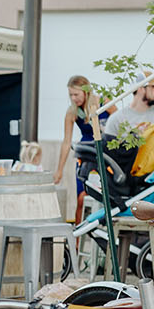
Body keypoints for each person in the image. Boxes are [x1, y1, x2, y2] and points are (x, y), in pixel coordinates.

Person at [51, 74, 109, 208]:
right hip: (86, 152)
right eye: (70, 95)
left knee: (103, 192)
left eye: (76, 94)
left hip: (105, 151)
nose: (73, 98)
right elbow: (66, 142)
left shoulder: (104, 103)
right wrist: (59, 170)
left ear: (86, 92)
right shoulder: (73, 112)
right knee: (82, 193)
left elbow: (118, 124)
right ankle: (80, 226)